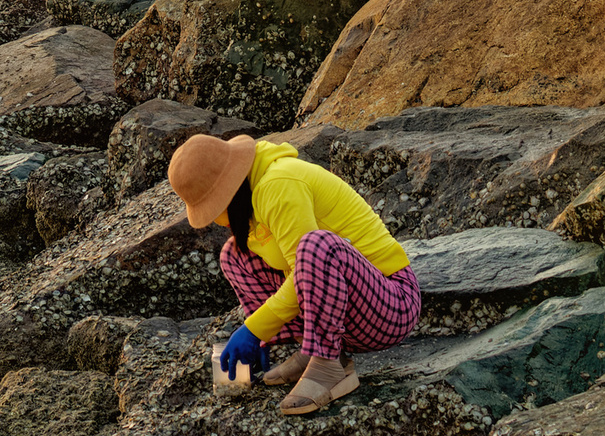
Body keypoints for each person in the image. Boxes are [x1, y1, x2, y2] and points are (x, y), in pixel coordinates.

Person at [167, 134, 420, 416]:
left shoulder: (279, 185)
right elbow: (296, 272)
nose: (215, 217)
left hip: (391, 306)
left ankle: (327, 364)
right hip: (348, 314)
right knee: (235, 255)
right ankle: (312, 349)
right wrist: (264, 337)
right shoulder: (254, 191)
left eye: (213, 206)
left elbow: (307, 266)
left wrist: (254, 329)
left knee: (316, 245)